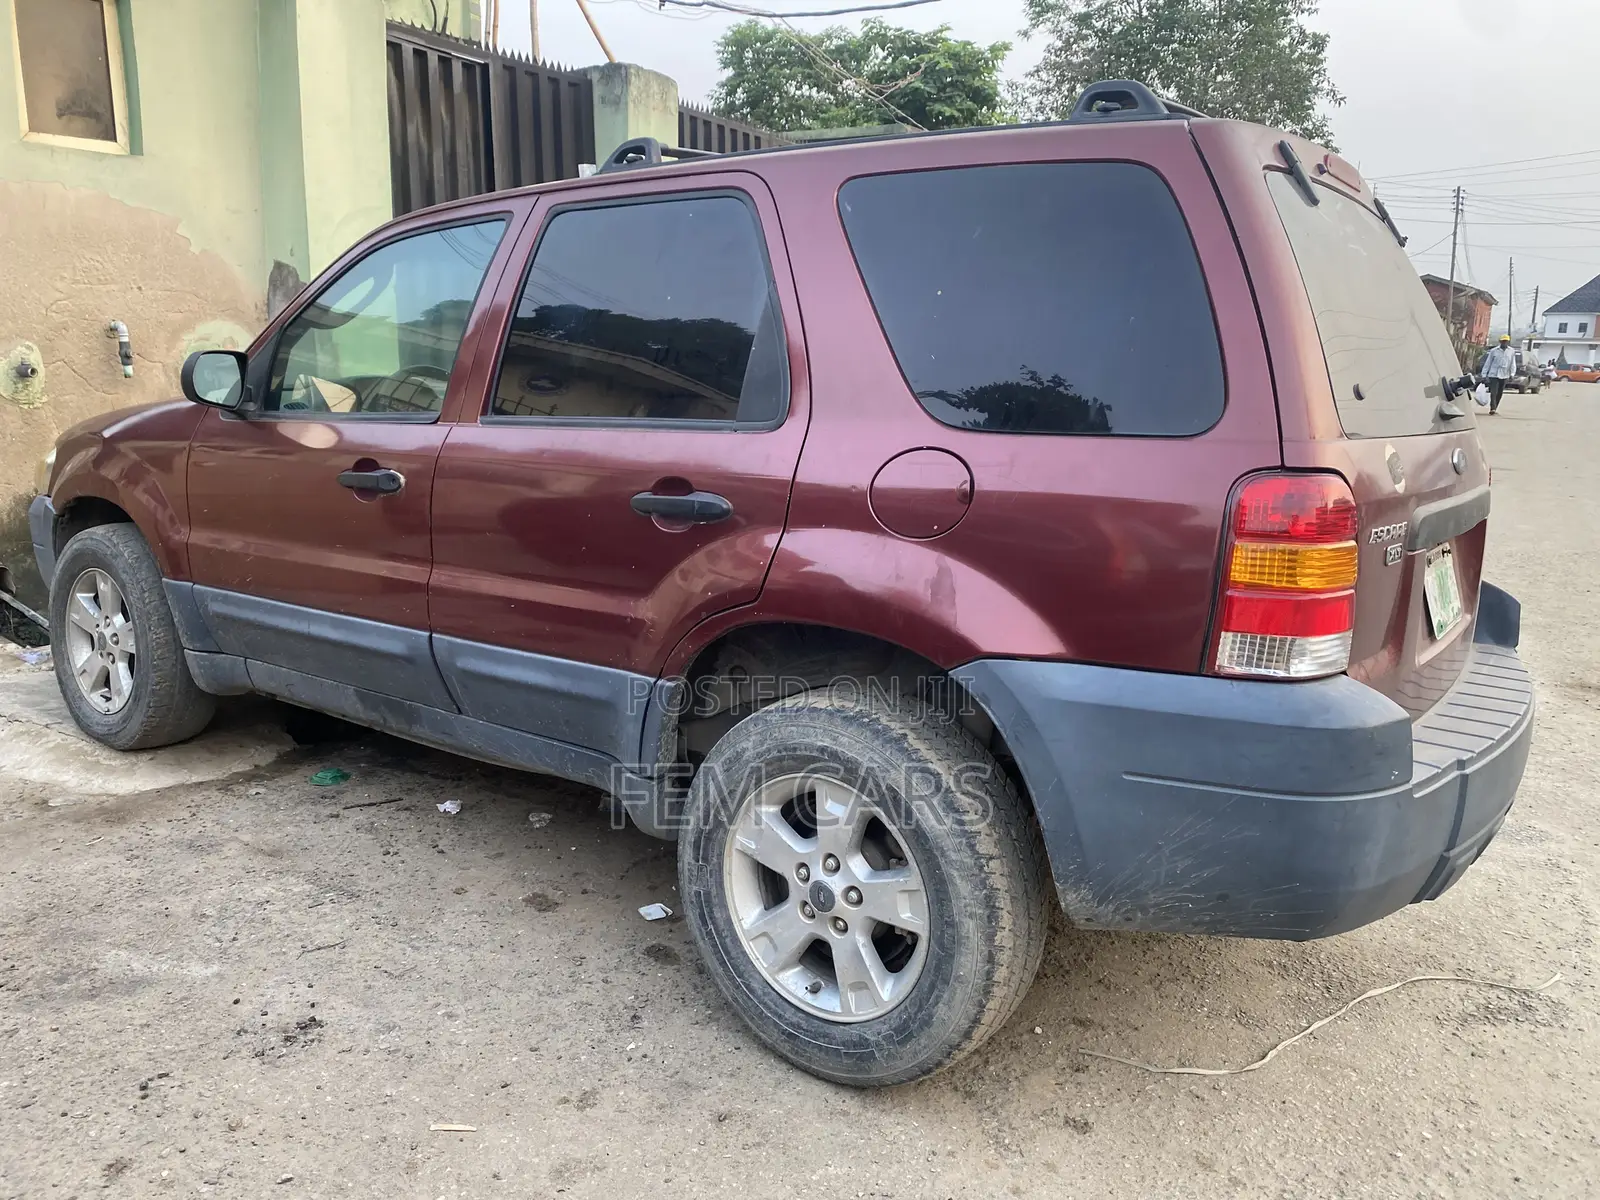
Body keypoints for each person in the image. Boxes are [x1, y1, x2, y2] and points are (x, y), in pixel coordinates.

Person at [1481, 335, 1516, 414]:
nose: (1504, 343)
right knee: (1494, 392)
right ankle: (1492, 408)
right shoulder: (1494, 351)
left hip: (1504, 375)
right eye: (1503, 341)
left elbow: (1512, 363)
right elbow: (1488, 363)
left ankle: (1495, 407)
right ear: (1500, 342)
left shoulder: (1511, 351)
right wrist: (1484, 375)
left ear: (1508, 342)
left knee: (1500, 392)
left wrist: (1512, 374)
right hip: (1494, 374)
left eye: (1506, 341)